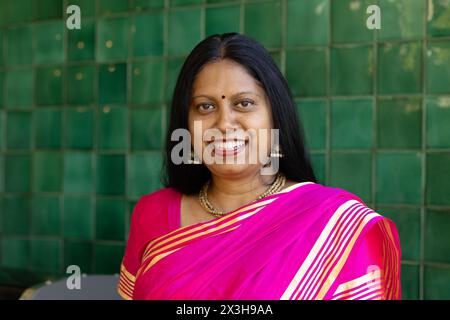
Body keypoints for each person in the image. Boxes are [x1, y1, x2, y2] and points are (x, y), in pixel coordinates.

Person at [118, 33, 401, 300]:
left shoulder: (336, 225)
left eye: (244, 103)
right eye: (205, 106)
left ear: (275, 116)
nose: (224, 124)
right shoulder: (151, 214)